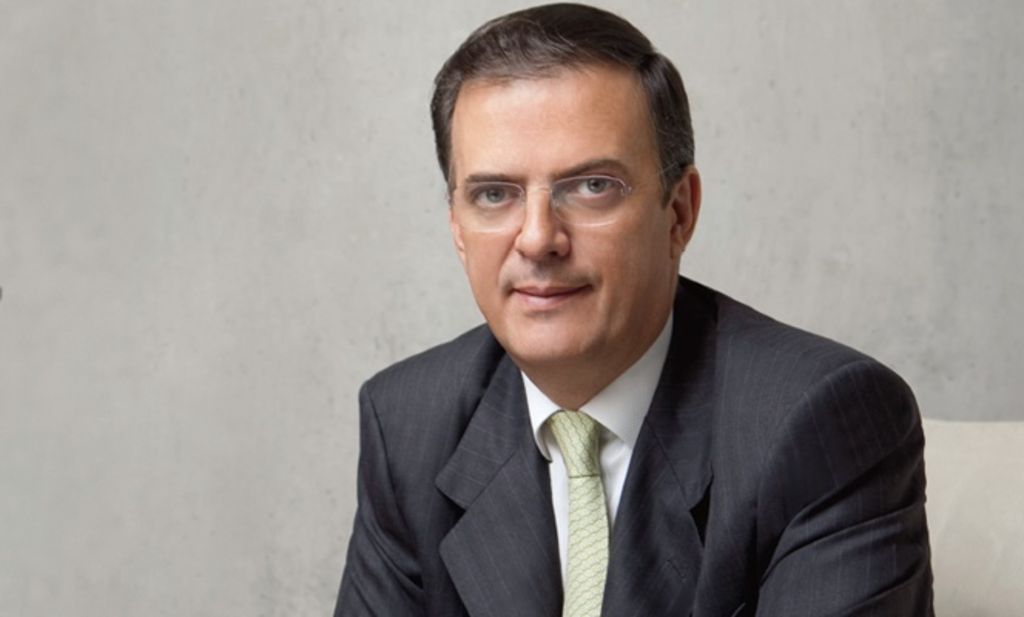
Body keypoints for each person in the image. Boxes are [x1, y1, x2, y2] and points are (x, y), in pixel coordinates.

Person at [334, 3, 934, 616]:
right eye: (494, 194)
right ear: (458, 229)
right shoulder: (408, 422)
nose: (538, 239)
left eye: (592, 186)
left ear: (679, 213)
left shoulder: (821, 422)